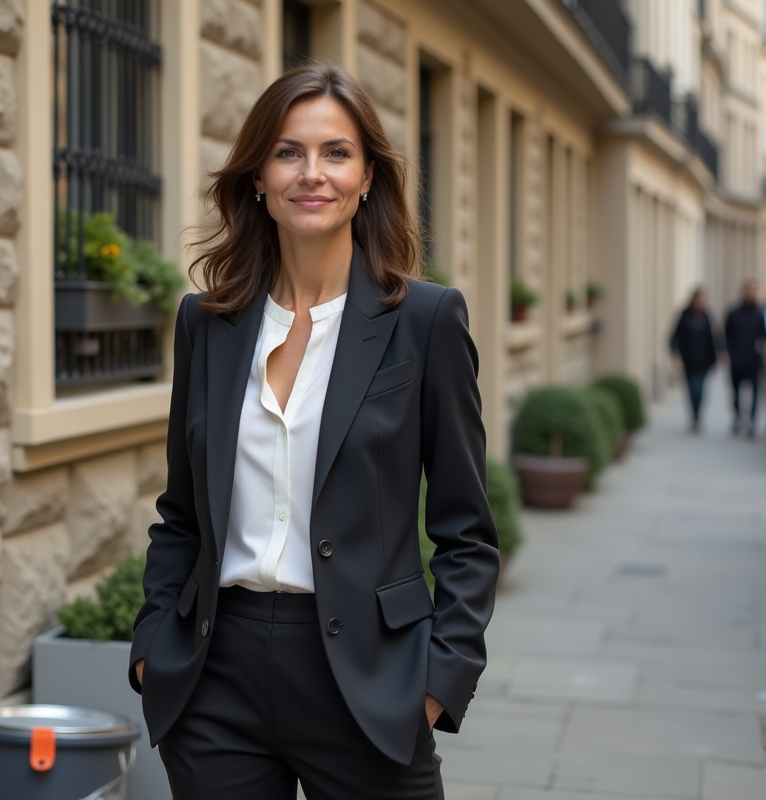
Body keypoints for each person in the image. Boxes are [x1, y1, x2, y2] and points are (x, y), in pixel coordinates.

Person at [127, 62, 499, 800]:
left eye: (336, 153)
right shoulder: (208, 324)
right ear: (258, 176)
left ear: (367, 179)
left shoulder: (425, 321)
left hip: (367, 681)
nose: (312, 174)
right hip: (216, 680)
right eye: (288, 152)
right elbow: (181, 514)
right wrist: (150, 648)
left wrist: (437, 681)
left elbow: (467, 532)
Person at [724, 278, 766, 438]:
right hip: (736, 360)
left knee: (755, 394)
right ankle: (737, 418)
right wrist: (727, 353)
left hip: (753, 361)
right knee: (736, 393)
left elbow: (765, 336)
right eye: (749, 290)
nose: (751, 293)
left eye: (753, 290)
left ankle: (752, 423)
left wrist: (762, 351)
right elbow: (726, 334)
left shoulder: (759, 313)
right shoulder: (734, 312)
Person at [670, 287, 719, 432]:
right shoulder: (684, 316)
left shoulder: (707, 316)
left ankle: (698, 417)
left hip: (704, 361)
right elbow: (674, 337)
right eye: (699, 298)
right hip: (688, 360)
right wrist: (675, 354)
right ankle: (694, 417)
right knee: (692, 390)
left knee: (700, 390)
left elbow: (714, 337)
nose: (701, 301)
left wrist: (719, 355)